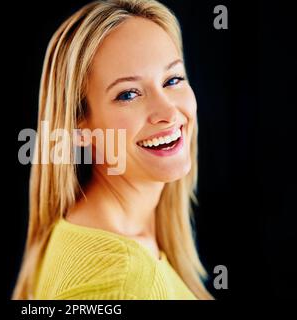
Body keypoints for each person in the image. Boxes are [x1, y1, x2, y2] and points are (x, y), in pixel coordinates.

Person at [13, 0, 213, 300]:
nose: (168, 113)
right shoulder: (119, 281)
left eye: (173, 79)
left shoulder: (87, 231)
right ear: (79, 128)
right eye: (128, 94)